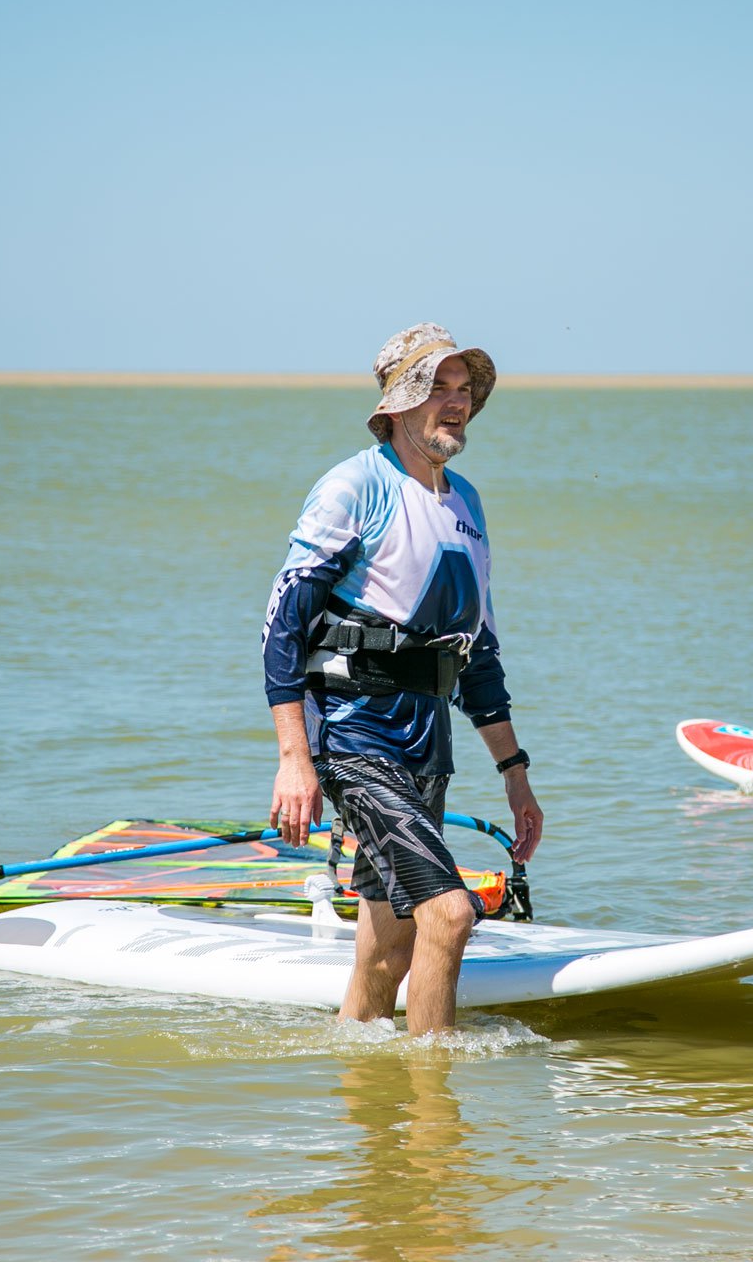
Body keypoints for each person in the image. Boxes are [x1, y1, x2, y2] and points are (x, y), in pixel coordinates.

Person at [262, 322, 542, 1035]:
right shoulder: (355, 486)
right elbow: (282, 624)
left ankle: (362, 1086)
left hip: (427, 744)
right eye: (436, 387)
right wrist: (294, 759)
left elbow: (477, 655)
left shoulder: (466, 503)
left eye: (464, 389)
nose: (457, 402)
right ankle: (435, 1096)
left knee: (389, 950)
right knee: (448, 914)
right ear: (398, 405)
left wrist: (514, 775)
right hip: (355, 736)